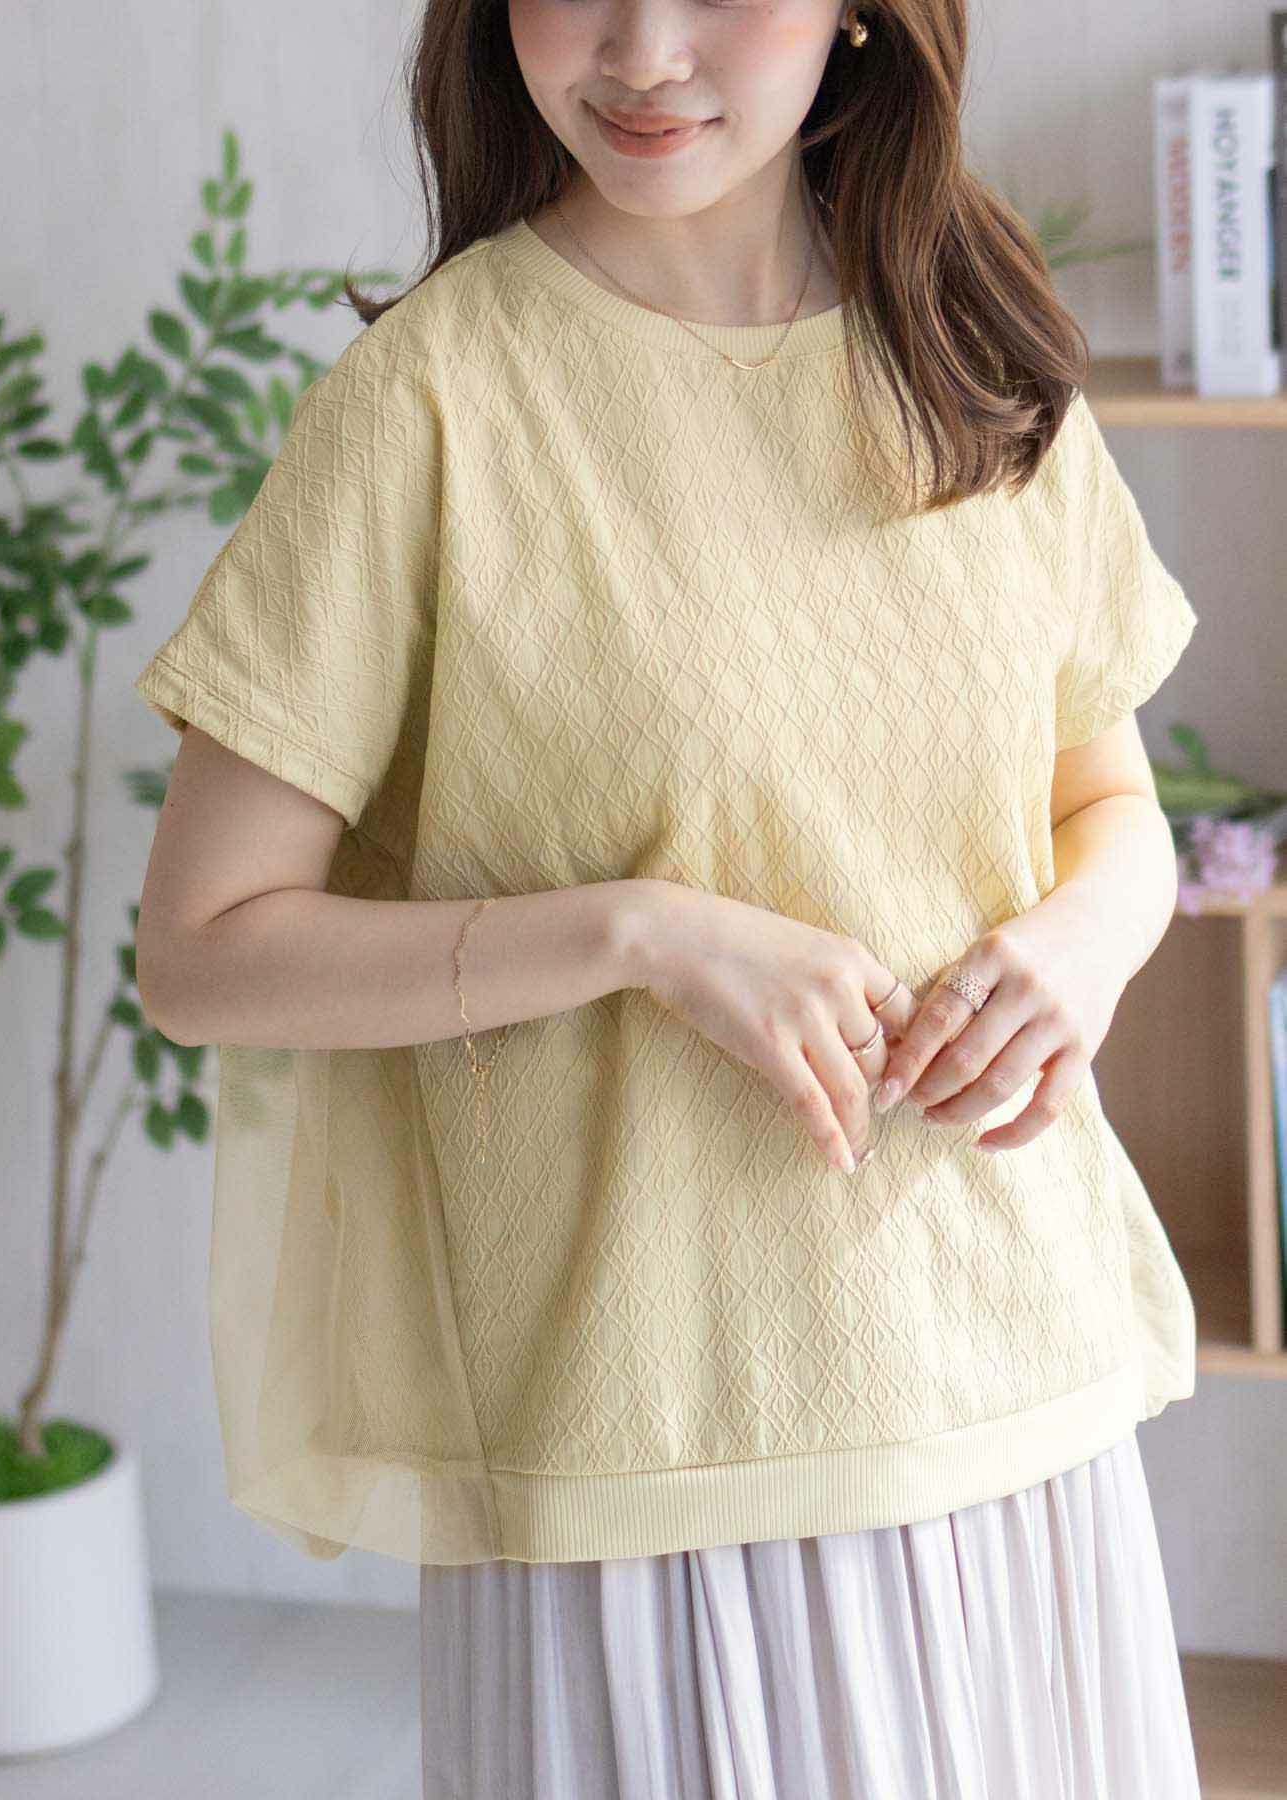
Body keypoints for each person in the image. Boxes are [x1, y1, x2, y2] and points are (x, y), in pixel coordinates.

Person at [132, 1, 1205, 1793]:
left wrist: (1081, 945)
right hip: (646, 1445)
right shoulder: (433, 402)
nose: (642, 52)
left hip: (1014, 1383)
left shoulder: (965, 344)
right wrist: (637, 933)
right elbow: (204, 955)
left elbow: (1111, 802)